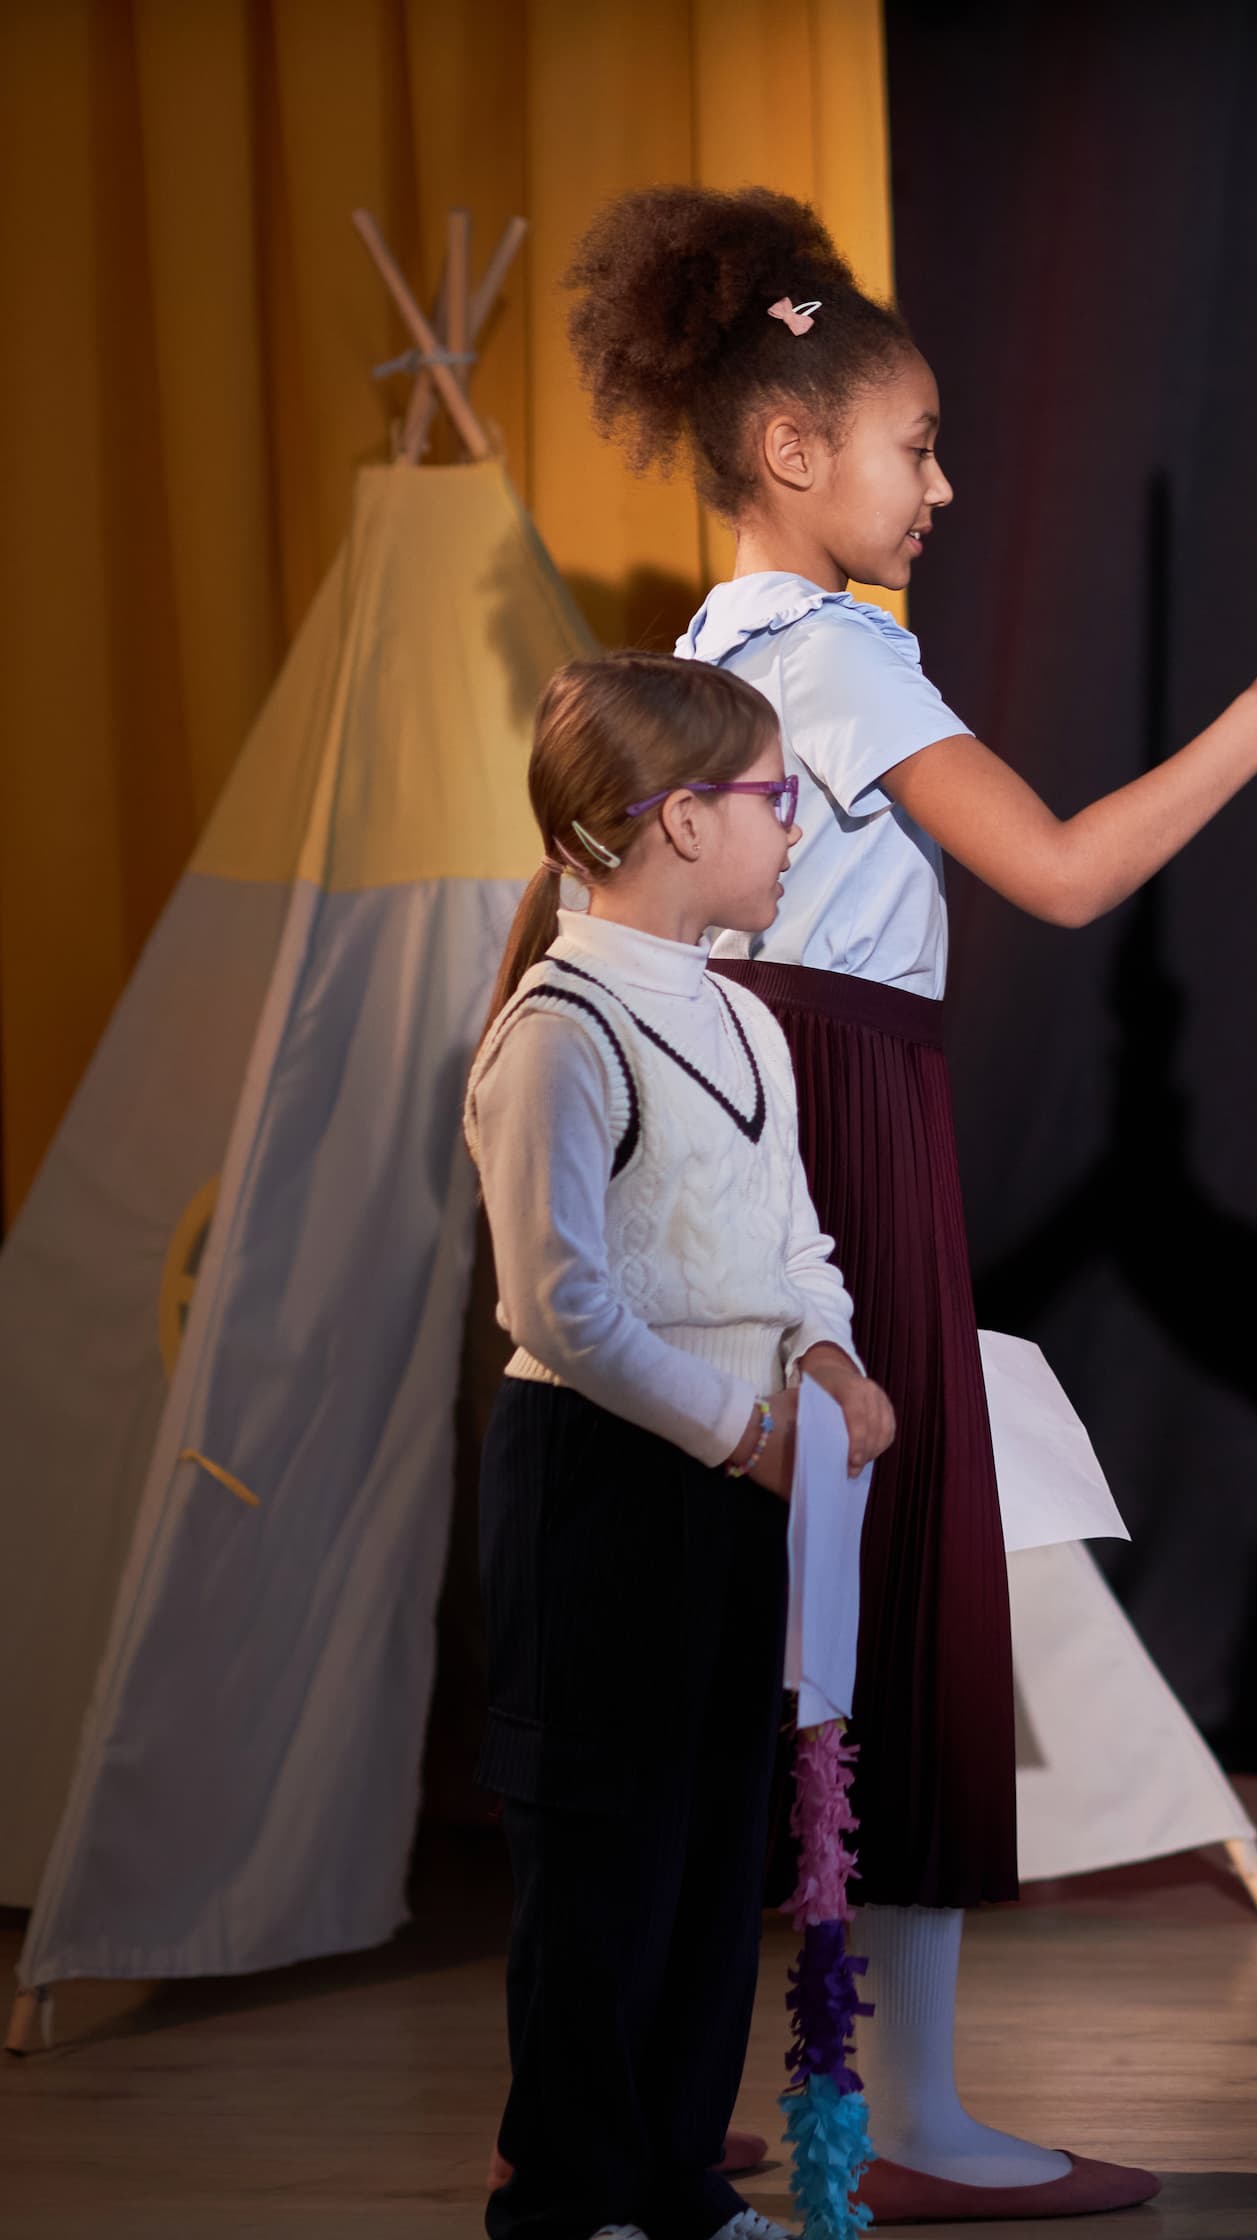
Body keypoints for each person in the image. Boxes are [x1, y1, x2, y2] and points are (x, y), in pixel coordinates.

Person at [563, 186, 1257, 2223]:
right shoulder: (835, 658)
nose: (944, 485)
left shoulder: (703, 653)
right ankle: (898, 2105)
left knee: (740, 1629)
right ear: (794, 451)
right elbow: (1075, 869)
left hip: (714, 1120)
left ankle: (637, 2094)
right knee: (892, 1614)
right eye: (917, 448)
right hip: (838, 1118)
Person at [466, 651, 897, 2240]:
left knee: (719, 1851)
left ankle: (678, 2180)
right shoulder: (558, 1030)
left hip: (739, 1478)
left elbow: (793, 1245)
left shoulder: (746, 1023)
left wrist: (832, 1357)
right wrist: (749, 1437)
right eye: (777, 801)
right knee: (607, 1865)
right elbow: (562, 1304)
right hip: (602, 1485)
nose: (798, 831)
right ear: (679, 822)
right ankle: (576, 2201)